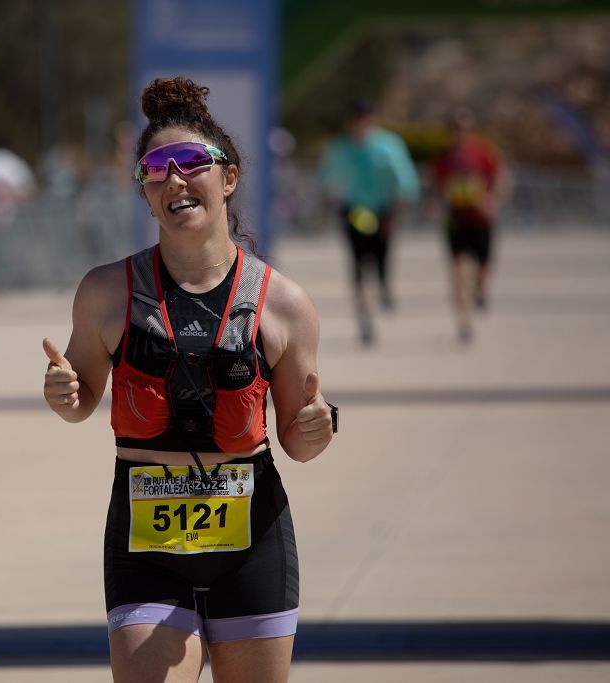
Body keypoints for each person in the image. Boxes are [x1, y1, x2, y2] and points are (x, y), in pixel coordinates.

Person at [42, 77, 337, 683]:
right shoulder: (105, 292)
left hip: (252, 542)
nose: (174, 178)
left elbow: (299, 445)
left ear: (228, 178)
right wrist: (65, 395)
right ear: (145, 194)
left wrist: (318, 425)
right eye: (156, 169)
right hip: (146, 548)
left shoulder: (284, 303)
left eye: (191, 163)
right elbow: (82, 401)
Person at [318, 100, 420, 345]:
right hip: (354, 211)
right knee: (358, 268)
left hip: (384, 211)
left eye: (365, 120)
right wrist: (331, 201)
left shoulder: (389, 145)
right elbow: (325, 180)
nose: (360, 126)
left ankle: (384, 287)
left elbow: (407, 182)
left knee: (381, 264)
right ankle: (365, 320)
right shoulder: (340, 147)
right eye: (356, 120)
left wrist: (396, 211)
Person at [430, 105, 510, 343]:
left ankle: (481, 290)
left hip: (481, 219)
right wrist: (436, 204)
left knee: (483, 267)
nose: (460, 132)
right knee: (458, 273)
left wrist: (492, 201)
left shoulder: (483, 151)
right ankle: (464, 323)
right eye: (456, 128)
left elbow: (502, 177)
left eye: (465, 127)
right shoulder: (442, 158)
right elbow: (435, 188)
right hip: (456, 220)